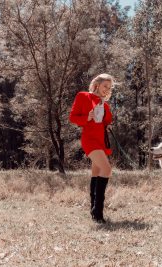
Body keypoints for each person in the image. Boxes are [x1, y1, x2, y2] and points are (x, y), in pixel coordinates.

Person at [69, 73, 115, 223]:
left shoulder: (105, 104)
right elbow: (73, 117)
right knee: (107, 170)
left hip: (101, 141)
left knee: (97, 172)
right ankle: (98, 210)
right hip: (89, 140)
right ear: (97, 85)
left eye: (109, 88)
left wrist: (106, 123)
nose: (107, 90)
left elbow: (106, 122)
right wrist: (86, 118)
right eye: (105, 86)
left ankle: (94, 212)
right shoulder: (83, 96)